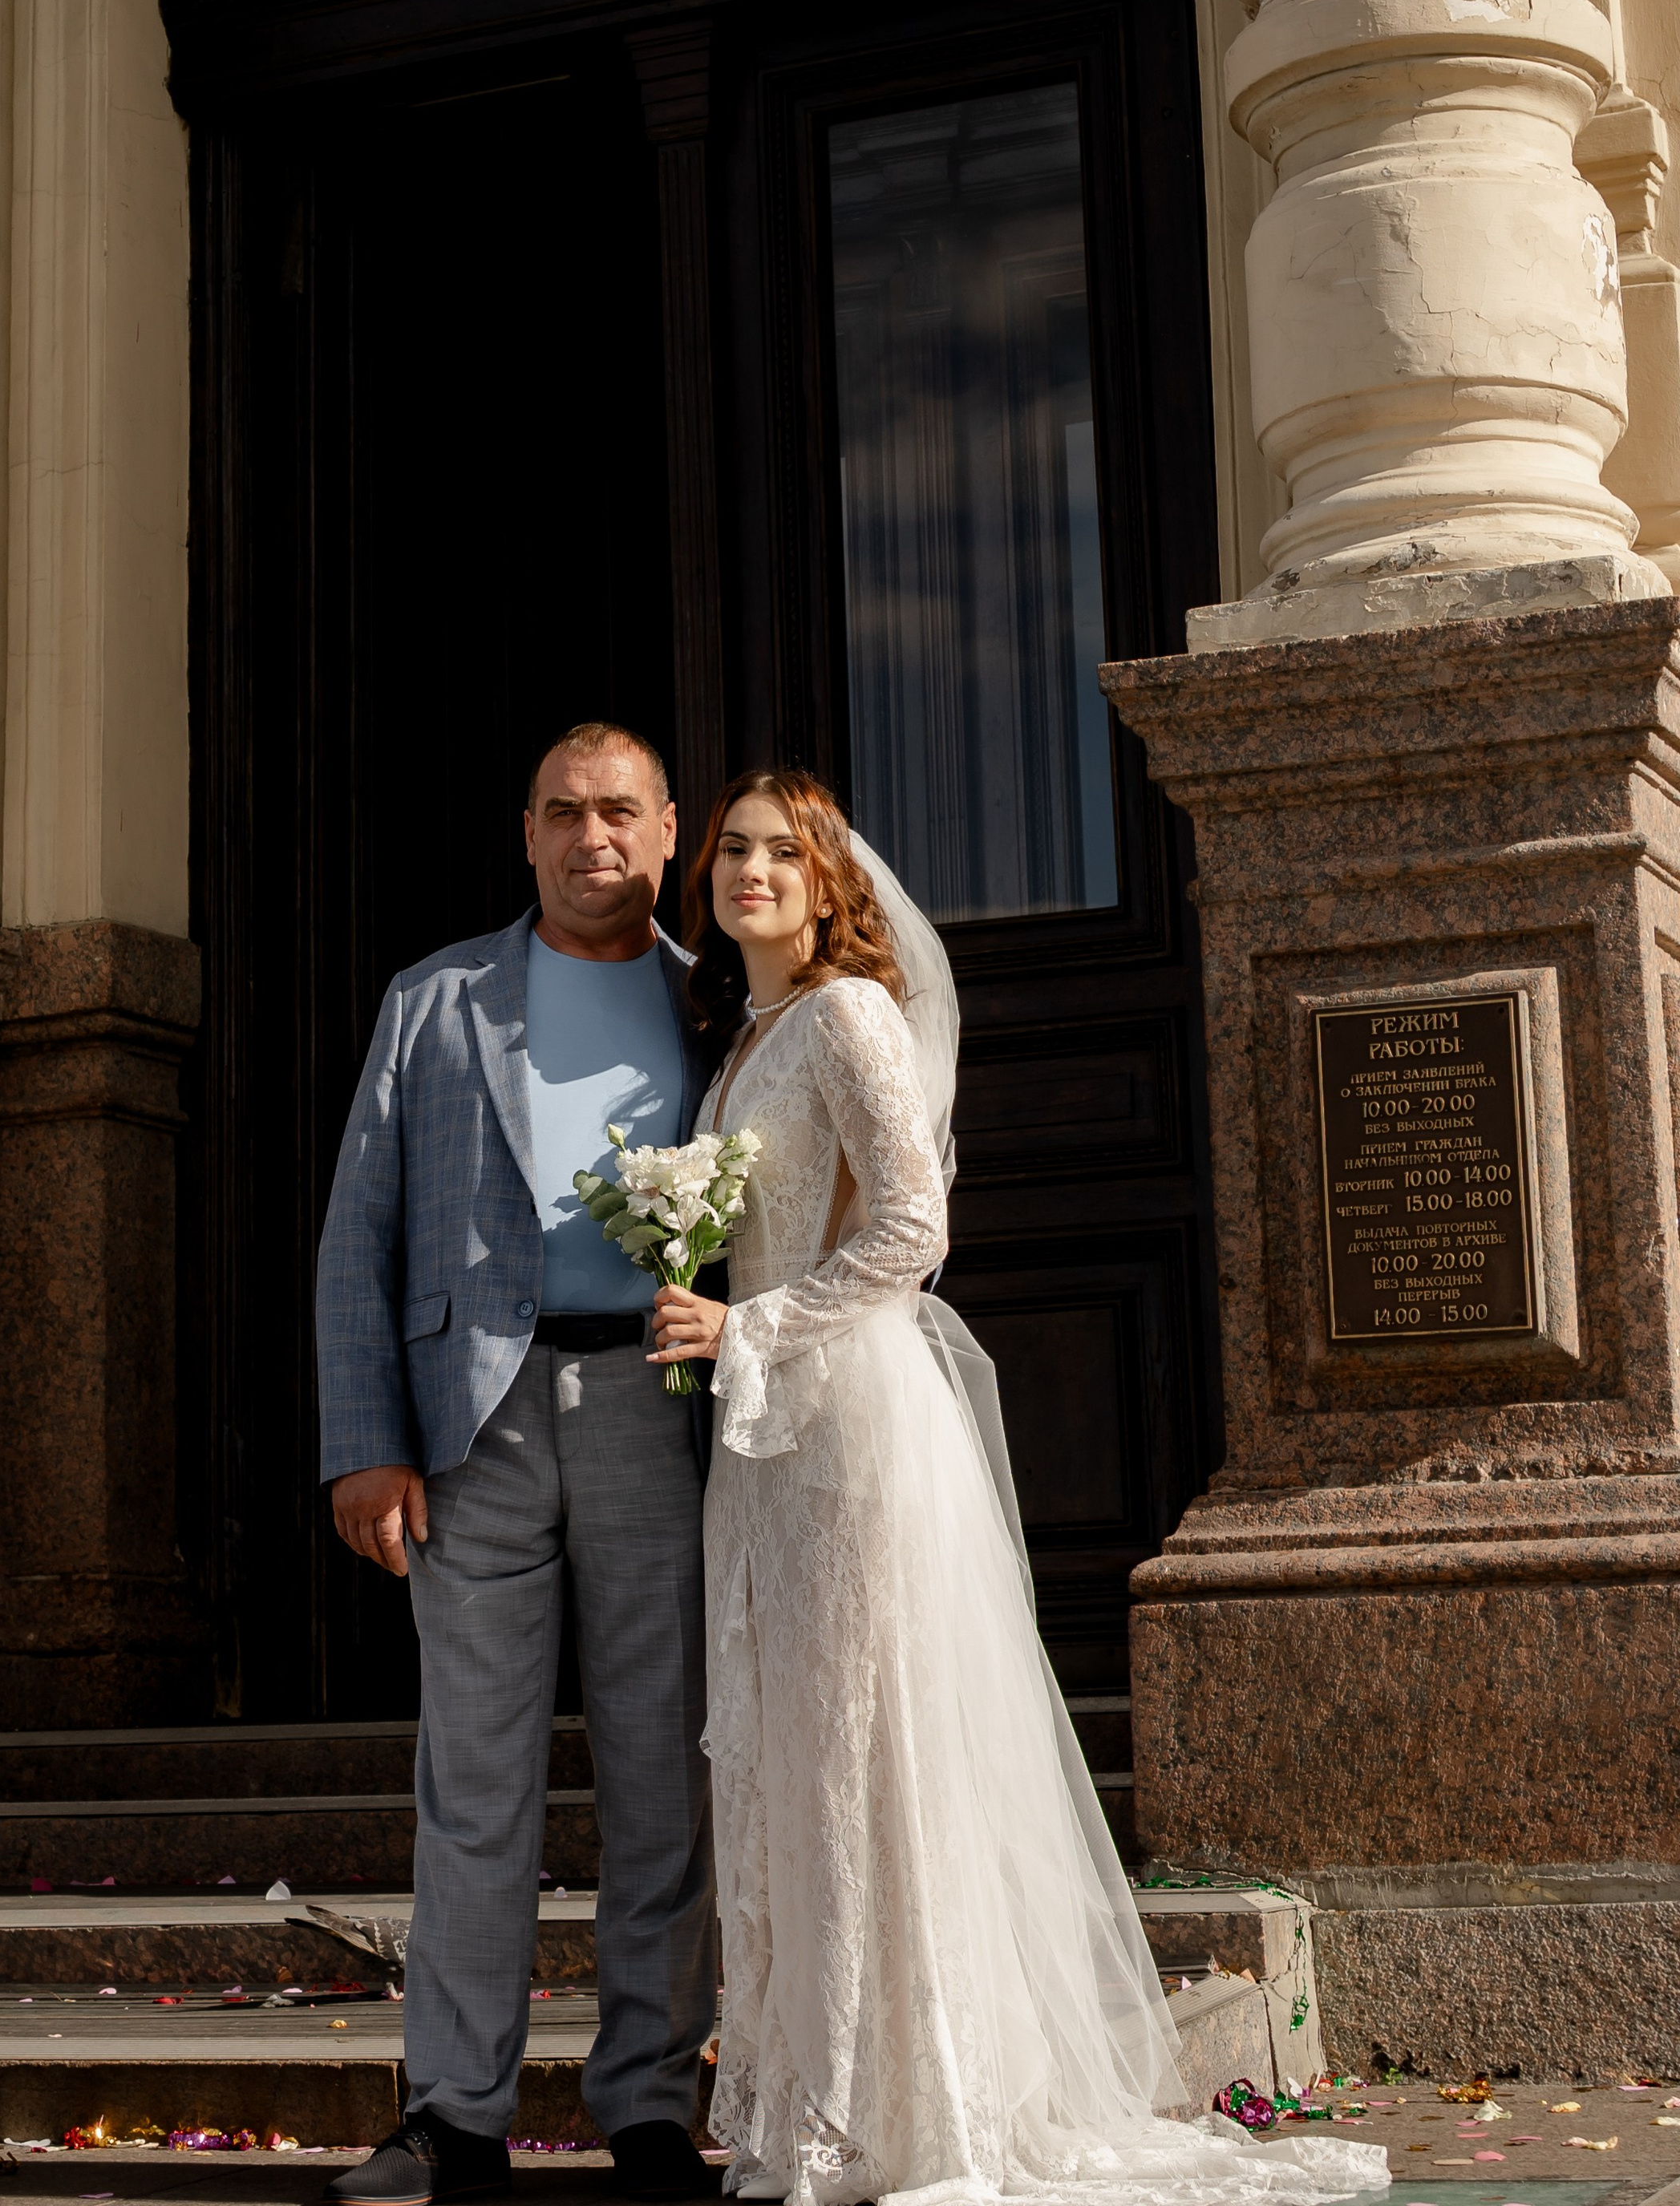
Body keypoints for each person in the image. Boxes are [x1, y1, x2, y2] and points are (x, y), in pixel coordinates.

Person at [649, 771, 1391, 2206]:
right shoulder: (742, 1044)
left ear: (827, 883)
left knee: (875, 1752)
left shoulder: (850, 1016)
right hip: (767, 1446)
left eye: (780, 853)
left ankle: (927, 2109)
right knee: (804, 1756)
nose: (750, 871)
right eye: (733, 851)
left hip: (853, 1423)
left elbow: (913, 1231)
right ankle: (829, 2102)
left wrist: (750, 1325)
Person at [316, 723, 719, 2206]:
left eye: (619, 812)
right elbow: (358, 1233)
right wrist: (366, 1448)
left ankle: (652, 2106)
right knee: (471, 1783)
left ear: (670, 831)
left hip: (656, 1416)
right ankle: (454, 2119)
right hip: (471, 1426)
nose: (591, 837)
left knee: (666, 1779)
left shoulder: (718, 1004)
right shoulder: (435, 1001)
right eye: (563, 813)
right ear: (527, 832)